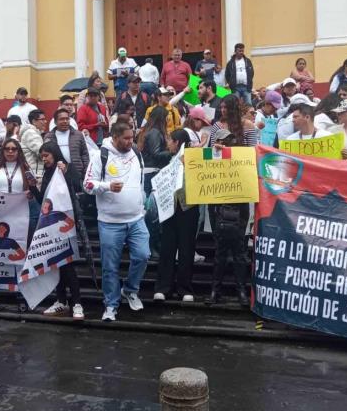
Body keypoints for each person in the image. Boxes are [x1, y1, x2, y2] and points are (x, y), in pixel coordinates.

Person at [84, 122, 149, 322]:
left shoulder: (136, 153)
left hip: (137, 219)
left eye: (132, 137)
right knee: (110, 266)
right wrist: (107, 186)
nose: (131, 142)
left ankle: (129, 290)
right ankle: (111, 304)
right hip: (110, 222)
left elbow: (140, 182)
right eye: (126, 138)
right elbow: (87, 185)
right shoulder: (100, 156)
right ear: (114, 137)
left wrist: (142, 204)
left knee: (143, 256)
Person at [0, 138, 38, 313]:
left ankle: (21, 295)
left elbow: (35, 192)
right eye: (7, 149)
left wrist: (31, 194)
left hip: (20, 219)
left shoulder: (25, 169)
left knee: (19, 257)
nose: (10, 152)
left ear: (18, 151)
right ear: (2, 151)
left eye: (14, 149)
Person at [38, 142, 84, 320]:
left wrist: (65, 172)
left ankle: (77, 302)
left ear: (55, 154)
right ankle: (61, 300)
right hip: (50, 225)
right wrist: (34, 187)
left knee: (68, 265)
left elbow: (78, 186)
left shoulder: (67, 167)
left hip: (66, 223)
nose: (44, 159)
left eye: (46, 156)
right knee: (56, 264)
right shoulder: (47, 173)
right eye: (42, 157)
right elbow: (43, 200)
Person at [205, 129, 251, 307]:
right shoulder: (212, 160)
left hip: (238, 212)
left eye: (229, 141)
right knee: (220, 255)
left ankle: (240, 290)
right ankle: (216, 290)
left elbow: (246, 193)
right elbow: (209, 196)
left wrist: (244, 224)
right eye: (224, 141)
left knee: (239, 255)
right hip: (221, 213)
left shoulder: (242, 159)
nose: (226, 144)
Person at [153, 129, 199, 302]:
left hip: (189, 207)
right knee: (167, 247)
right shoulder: (167, 158)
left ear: (178, 142)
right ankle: (163, 287)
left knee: (187, 248)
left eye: (170, 141)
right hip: (169, 208)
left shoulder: (194, 158)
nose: (168, 144)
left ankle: (184, 288)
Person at [44, 108, 90, 190]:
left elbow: (84, 154)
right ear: (55, 122)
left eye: (67, 119)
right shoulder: (49, 137)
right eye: (61, 119)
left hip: (77, 174)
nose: (65, 121)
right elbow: (45, 156)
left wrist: (86, 172)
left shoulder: (78, 135)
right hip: (57, 175)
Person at [138, 107, 171, 194]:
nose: (168, 120)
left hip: (151, 172)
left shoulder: (152, 131)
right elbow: (155, 153)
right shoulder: (155, 133)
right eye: (167, 117)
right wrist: (172, 152)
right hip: (152, 173)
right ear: (161, 118)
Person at [20, 109, 47, 187]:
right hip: (36, 174)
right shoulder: (31, 133)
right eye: (42, 119)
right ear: (34, 121)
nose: (45, 122)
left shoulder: (33, 132)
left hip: (34, 172)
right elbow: (42, 152)